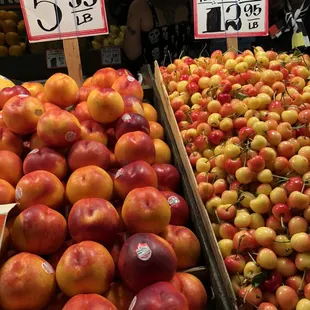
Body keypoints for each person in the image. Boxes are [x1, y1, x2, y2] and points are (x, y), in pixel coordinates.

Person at [123, 0, 192, 74]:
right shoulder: (190, 4)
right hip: (184, 77)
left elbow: (132, 54)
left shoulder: (139, 7)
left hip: (152, 79)